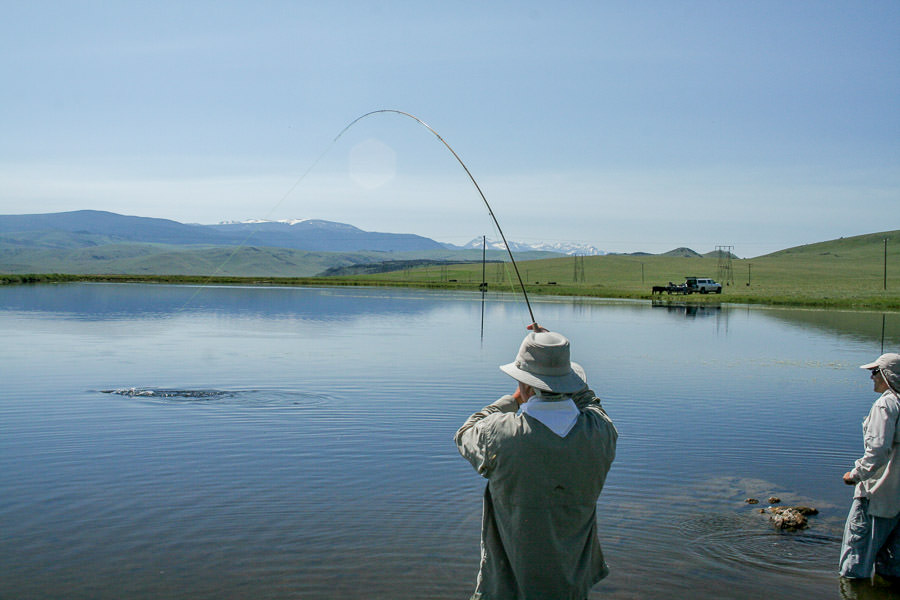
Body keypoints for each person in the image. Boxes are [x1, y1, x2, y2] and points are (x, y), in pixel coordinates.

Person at [454, 326, 617, 600]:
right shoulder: (601, 432)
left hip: (507, 591)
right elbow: (591, 402)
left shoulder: (500, 434)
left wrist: (514, 399)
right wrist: (554, 359)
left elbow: (465, 433)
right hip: (573, 589)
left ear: (526, 385)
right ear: (570, 382)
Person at [839, 353, 900, 580]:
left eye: (875, 372)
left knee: (854, 564)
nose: (871, 377)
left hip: (876, 496)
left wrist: (855, 475)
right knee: (892, 568)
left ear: (887, 374)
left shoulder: (885, 404)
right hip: (897, 500)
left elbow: (877, 452)